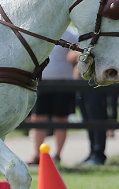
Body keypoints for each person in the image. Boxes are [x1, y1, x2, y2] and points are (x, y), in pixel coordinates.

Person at [28, 29, 80, 164]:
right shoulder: (43, 30)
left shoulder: (71, 36)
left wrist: (75, 55)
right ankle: (37, 155)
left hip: (64, 83)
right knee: (38, 119)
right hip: (42, 83)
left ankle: (57, 155)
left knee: (61, 119)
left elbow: (78, 56)